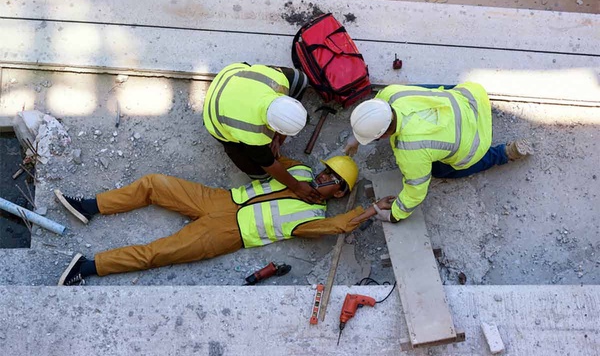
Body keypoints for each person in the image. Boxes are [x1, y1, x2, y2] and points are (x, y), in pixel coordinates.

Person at [55, 156, 395, 286]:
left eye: (332, 179)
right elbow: (269, 159)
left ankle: (87, 267)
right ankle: (88, 206)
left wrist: (370, 210)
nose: (323, 176)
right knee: (154, 184)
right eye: (326, 170)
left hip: (228, 233)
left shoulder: (313, 216)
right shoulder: (301, 171)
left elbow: (336, 228)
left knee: (156, 253)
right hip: (222, 199)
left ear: (338, 194)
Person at [345, 83, 533, 223]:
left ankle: (505, 153)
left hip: (476, 140)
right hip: (472, 98)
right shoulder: (391, 93)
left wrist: (395, 214)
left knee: (440, 170)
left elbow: (416, 190)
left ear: (384, 134)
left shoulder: (410, 150)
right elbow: (376, 107)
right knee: (428, 90)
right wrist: (358, 136)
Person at [203, 62, 322, 204]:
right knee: (261, 174)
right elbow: (268, 163)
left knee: (300, 80)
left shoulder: (280, 81)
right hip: (214, 113)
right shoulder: (252, 133)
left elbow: (299, 79)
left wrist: (278, 138)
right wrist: (296, 187)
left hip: (230, 75)